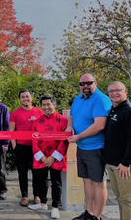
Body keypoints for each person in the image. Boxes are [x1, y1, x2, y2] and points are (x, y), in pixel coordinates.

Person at [67, 73, 112, 220]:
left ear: (96, 83)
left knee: (98, 183)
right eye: (82, 84)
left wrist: (78, 136)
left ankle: (97, 216)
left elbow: (99, 125)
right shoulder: (78, 98)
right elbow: (72, 116)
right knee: (86, 181)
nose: (85, 86)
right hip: (82, 147)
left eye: (88, 83)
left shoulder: (101, 99)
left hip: (96, 148)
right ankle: (89, 212)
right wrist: (69, 127)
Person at [27, 94, 68, 219]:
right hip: (42, 157)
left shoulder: (63, 120)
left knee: (56, 182)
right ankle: (43, 203)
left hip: (56, 157)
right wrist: (43, 157)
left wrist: (53, 157)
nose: (46, 107)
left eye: (48, 104)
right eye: (43, 105)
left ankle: (55, 206)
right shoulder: (37, 122)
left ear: (54, 104)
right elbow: (34, 140)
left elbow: (65, 141)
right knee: (40, 181)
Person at [9, 89, 44, 206]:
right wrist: (15, 147)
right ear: (20, 99)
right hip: (21, 147)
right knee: (22, 173)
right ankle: (24, 196)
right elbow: (11, 131)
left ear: (32, 98)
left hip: (36, 149)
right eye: (23, 97)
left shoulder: (40, 112)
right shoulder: (15, 113)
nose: (25, 99)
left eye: (27, 96)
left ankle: (37, 195)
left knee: (37, 173)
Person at [103, 81, 131, 220]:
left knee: (127, 200)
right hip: (112, 164)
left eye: (118, 90)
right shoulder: (113, 110)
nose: (114, 93)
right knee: (120, 198)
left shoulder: (128, 111)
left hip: (123, 166)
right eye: (111, 91)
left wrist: (126, 163)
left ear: (126, 92)